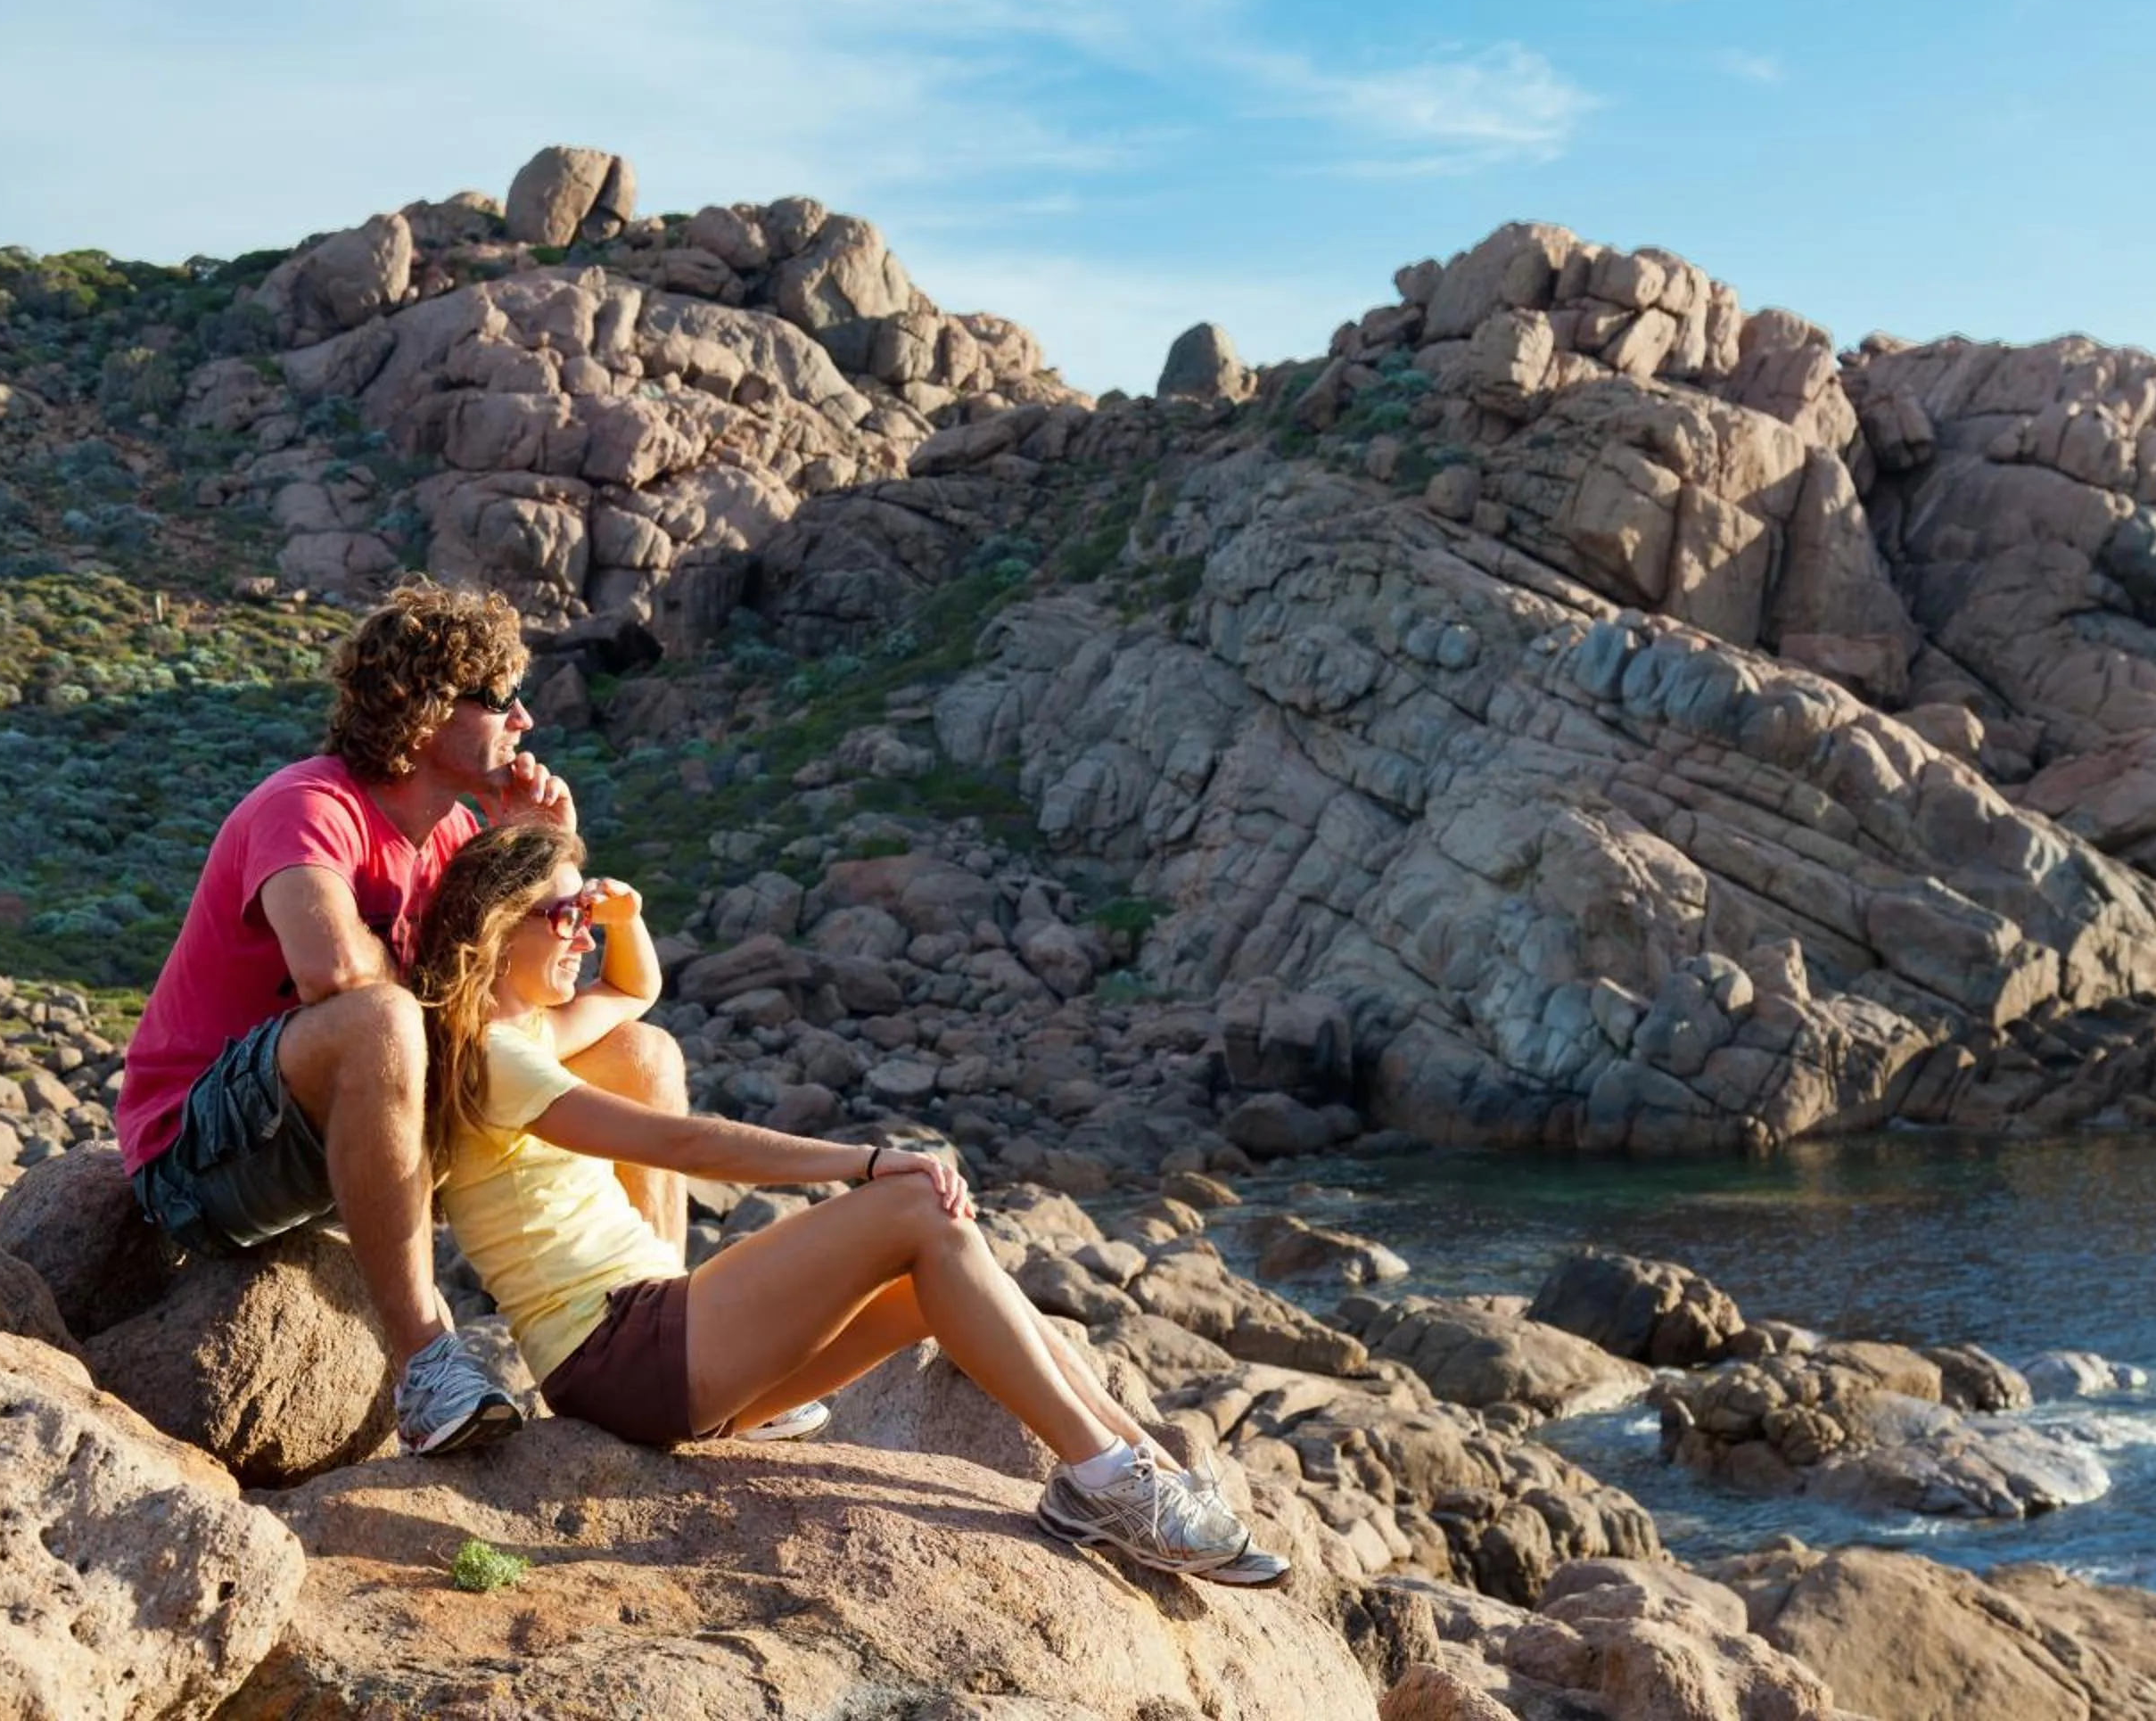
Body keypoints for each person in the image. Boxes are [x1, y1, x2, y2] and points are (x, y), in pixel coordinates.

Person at [406, 822, 1288, 1584]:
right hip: (621, 1352)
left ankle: (1137, 1466)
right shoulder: (491, 1052)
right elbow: (683, 1144)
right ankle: (1110, 1478)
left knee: (936, 1276)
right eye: (563, 916)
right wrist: (864, 1161)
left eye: (582, 914)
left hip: (666, 1361)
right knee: (913, 1209)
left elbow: (636, 989)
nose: (582, 936)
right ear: (497, 924)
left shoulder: (529, 1028)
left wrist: (623, 915)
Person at [113, 577, 698, 1458]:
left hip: (351, 1120)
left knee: (639, 1052)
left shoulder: (458, 837)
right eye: (499, 698)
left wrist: (540, 847)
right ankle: (426, 1366)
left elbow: (524, 996)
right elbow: (329, 969)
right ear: (425, 709)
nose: (525, 721)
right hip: (200, 1158)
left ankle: (664, 1348)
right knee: (382, 1015)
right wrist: (442, 997)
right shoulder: (309, 807)